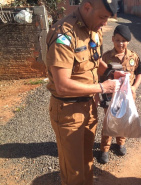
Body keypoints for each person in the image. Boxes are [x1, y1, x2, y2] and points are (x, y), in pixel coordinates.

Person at [45, 0, 125, 185]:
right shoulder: (64, 34)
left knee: (87, 161)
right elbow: (62, 85)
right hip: (68, 112)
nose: (105, 23)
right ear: (88, 7)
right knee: (74, 171)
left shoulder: (93, 28)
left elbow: (93, 61)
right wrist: (102, 87)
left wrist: (110, 72)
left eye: (108, 18)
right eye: (103, 17)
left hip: (89, 107)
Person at [99, 25, 141, 164]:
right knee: (110, 121)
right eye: (117, 40)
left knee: (123, 120)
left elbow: (139, 73)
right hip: (111, 97)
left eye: (124, 40)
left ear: (128, 41)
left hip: (128, 97)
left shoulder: (133, 56)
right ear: (112, 39)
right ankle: (105, 148)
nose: (121, 43)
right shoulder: (106, 57)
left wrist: (135, 87)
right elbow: (99, 76)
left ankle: (120, 143)